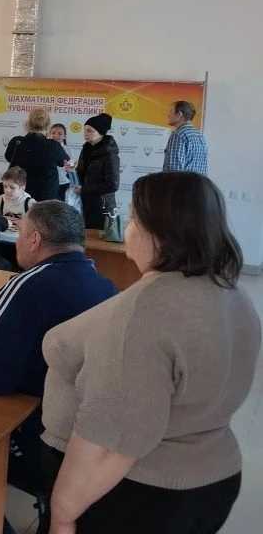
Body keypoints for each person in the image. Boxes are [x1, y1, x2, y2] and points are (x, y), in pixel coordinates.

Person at [41, 172, 259, 534]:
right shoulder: (231, 292)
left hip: (140, 495)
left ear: (160, 233)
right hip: (210, 478)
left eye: (132, 220)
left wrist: (63, 512)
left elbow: (115, 436)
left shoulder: (148, 310)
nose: (127, 230)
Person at [0, 201, 115, 502]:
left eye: (21, 232)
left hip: (38, 434)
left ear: (34, 239)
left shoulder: (28, 285)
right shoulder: (108, 289)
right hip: (87, 438)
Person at [4, 108, 68, 202]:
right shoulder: (53, 145)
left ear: (28, 123)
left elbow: (8, 157)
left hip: (20, 194)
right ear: (48, 125)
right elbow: (65, 162)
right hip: (45, 197)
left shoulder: (16, 142)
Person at [75, 113, 121, 229]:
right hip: (85, 202)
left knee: (97, 237)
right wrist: (72, 171)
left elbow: (112, 185)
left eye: (90, 131)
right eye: (85, 130)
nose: (85, 134)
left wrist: (84, 189)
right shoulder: (86, 149)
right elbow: (82, 174)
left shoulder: (109, 154)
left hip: (102, 206)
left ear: (100, 132)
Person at [163, 100, 208, 173]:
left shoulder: (178, 135)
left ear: (179, 114)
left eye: (171, 111)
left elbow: (174, 171)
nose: (168, 115)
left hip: (182, 181)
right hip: (199, 180)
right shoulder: (199, 135)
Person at [49, 123, 72, 201]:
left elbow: (71, 167)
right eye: (53, 133)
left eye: (60, 134)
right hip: (50, 183)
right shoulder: (45, 149)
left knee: (62, 205)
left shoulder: (67, 149)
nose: (56, 135)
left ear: (64, 136)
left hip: (63, 183)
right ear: (49, 135)